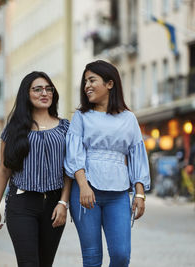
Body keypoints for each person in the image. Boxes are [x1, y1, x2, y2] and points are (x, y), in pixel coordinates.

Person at [64, 60, 151, 267]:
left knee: (121, 255)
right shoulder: (81, 117)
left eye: (92, 80)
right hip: (86, 193)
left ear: (110, 84)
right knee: (92, 257)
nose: (87, 86)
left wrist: (139, 193)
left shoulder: (129, 119)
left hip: (119, 194)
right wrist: (83, 186)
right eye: (85, 82)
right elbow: (74, 155)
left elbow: (137, 155)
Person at [0, 71, 72, 267]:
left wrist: (63, 203)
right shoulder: (14, 130)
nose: (44, 93)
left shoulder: (65, 128)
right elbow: (4, 170)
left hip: (53, 205)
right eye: (38, 89)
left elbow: (70, 170)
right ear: (27, 94)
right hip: (21, 204)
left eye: (48, 89)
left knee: (45, 264)